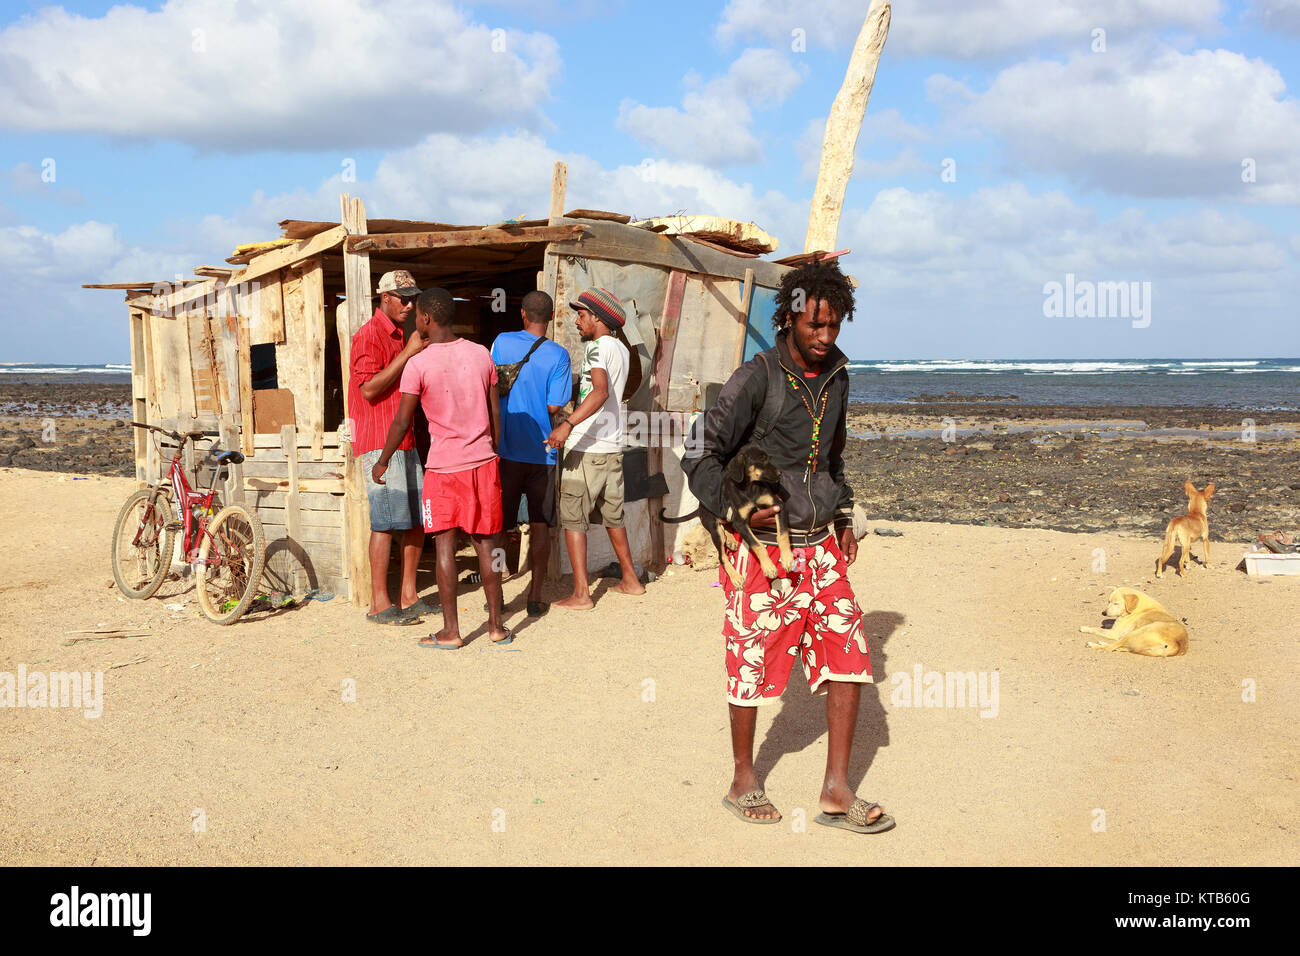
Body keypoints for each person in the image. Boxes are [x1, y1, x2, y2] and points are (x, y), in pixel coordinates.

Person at [682, 257, 894, 834]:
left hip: (821, 545)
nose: (825, 338)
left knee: (851, 659)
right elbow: (699, 455)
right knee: (752, 664)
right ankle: (743, 780)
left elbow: (832, 457)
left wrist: (844, 512)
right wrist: (736, 510)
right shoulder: (757, 377)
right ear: (791, 320)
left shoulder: (839, 376)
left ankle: (836, 789)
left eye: (834, 327)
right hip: (762, 552)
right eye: (814, 327)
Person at [372, 287, 512, 649]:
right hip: (482, 464)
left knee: (446, 548)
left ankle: (452, 632)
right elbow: (495, 411)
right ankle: (496, 626)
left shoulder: (418, 364)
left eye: (418, 314)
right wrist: (492, 450)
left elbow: (403, 422)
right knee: (488, 546)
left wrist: (383, 459)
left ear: (426, 320)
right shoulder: (481, 354)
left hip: (444, 469)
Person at [545, 288, 645, 610]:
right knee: (613, 517)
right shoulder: (621, 349)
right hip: (611, 447)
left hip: (587, 448)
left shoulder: (595, 348)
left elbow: (599, 393)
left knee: (574, 519)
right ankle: (630, 580)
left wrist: (567, 424)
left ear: (598, 318)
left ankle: (581, 594)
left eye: (582, 315)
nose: (577, 321)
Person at [349, 269, 431, 625]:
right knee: (384, 522)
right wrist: (409, 353)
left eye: (414, 298)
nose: (410, 304)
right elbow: (368, 389)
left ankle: (408, 595)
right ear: (384, 298)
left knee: (415, 521)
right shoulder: (369, 336)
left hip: (405, 439)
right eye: (404, 298)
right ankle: (378, 603)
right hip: (380, 443)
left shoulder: (402, 335)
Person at [490, 291, 572, 617]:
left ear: (523, 314)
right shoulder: (559, 354)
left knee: (499, 527)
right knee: (540, 525)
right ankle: (535, 596)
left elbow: (489, 385)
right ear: (550, 317)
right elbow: (554, 405)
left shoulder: (500, 342)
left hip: (504, 451)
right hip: (543, 453)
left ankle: (495, 594)